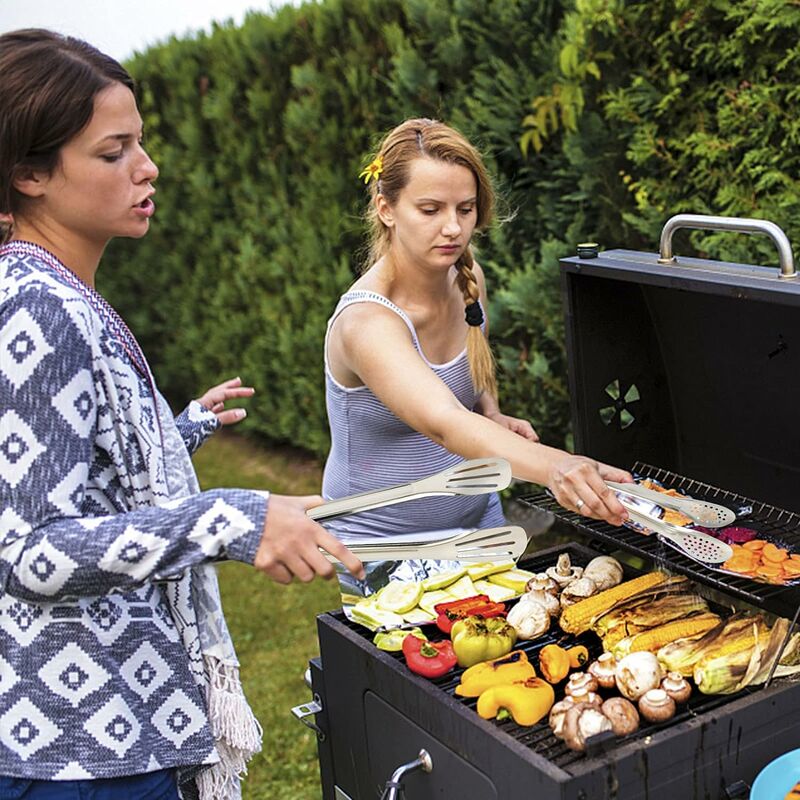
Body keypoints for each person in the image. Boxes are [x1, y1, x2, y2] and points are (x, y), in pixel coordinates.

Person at [0, 29, 363, 800]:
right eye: (113, 151)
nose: (147, 167)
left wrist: (187, 428)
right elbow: (27, 553)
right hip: (79, 749)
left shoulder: (53, 293)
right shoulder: (37, 307)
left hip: (99, 732)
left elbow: (88, 465)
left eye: (142, 143)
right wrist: (232, 519)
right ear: (29, 172)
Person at [322, 118, 631, 572]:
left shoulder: (468, 281)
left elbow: (470, 376)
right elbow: (444, 422)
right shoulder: (366, 322)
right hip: (385, 550)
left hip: (478, 525)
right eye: (430, 210)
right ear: (386, 207)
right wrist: (558, 466)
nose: (453, 228)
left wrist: (490, 411)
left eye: (465, 209)